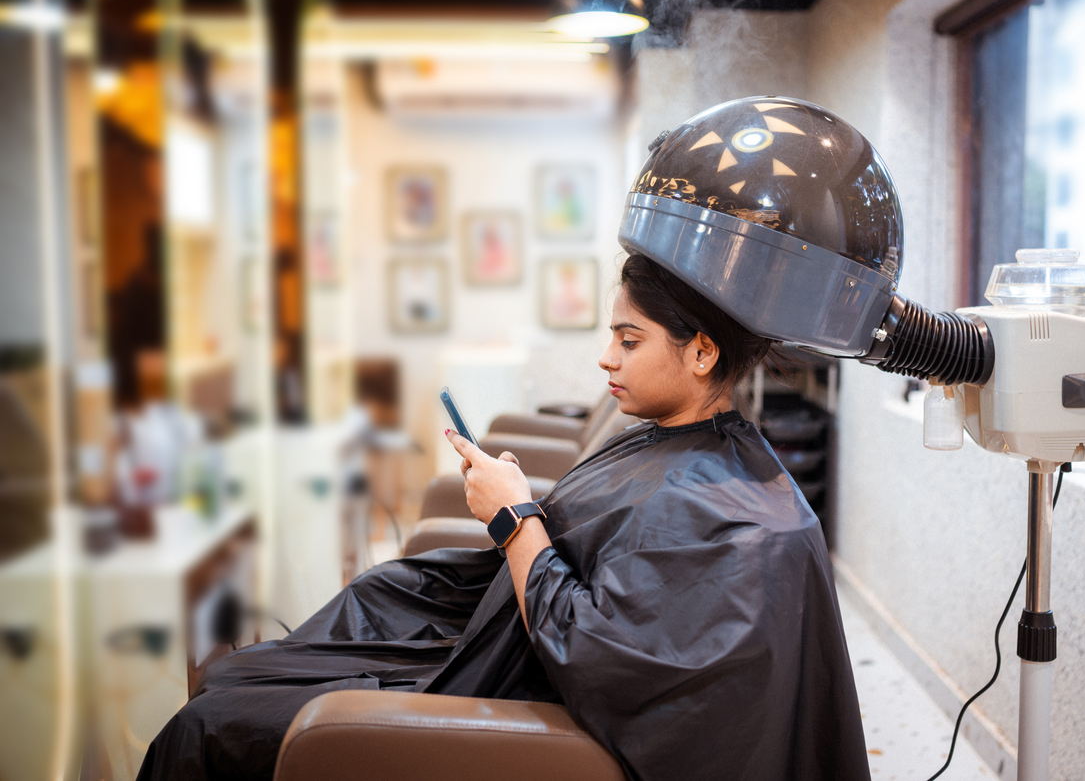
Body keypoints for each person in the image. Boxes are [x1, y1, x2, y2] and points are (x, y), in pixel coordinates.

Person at [137, 254, 870, 781]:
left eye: (628, 339)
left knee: (210, 726)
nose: (605, 359)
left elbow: (606, 658)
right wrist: (516, 500)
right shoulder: (678, 446)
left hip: (517, 684)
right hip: (496, 642)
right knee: (251, 674)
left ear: (703, 351)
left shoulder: (730, 519)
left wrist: (516, 518)